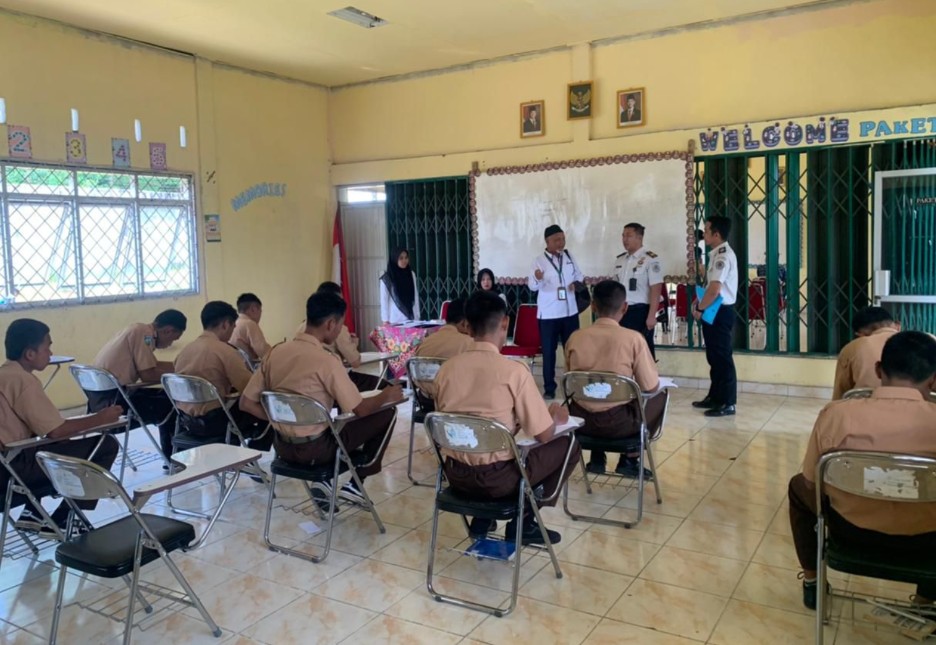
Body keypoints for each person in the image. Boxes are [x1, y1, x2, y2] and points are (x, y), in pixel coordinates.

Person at [788, 331, 936, 610]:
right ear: (934, 379)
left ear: (879, 370)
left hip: (850, 531)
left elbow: (810, 483)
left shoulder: (836, 414)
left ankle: (812, 581)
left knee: (797, 488)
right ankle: (925, 601)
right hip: (927, 541)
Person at [435, 291, 581, 545]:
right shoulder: (514, 372)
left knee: (497, 446)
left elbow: (449, 425)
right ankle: (524, 521)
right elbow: (543, 434)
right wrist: (554, 417)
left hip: (456, 475)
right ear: (505, 323)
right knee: (568, 445)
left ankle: (483, 516)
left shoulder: (446, 370)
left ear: (466, 326)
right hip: (497, 481)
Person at [240, 292, 404, 508]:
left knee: (330, 412)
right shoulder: (327, 361)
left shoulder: (275, 353)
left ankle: (327, 481)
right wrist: (386, 395)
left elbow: (246, 403)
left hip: (281, 447)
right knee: (387, 412)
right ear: (330, 324)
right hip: (319, 451)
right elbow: (361, 410)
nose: (339, 331)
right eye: (340, 325)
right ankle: (355, 484)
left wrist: (280, 420)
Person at [0, 319, 122, 537]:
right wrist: (101, 418)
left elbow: (41, 427)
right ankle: (67, 517)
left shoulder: (5, 375)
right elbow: (56, 430)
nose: (50, 353)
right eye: (47, 347)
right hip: (13, 470)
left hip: (7, 464)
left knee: (48, 446)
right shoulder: (22, 380)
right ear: (30, 354)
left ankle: (33, 513)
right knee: (106, 444)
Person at [565, 280, 664, 477]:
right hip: (620, 424)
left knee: (593, 394)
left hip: (581, 422)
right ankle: (630, 458)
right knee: (660, 396)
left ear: (593, 306)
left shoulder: (575, 338)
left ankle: (597, 457)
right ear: (625, 307)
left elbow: (571, 384)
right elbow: (650, 386)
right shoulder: (633, 339)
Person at [173, 301, 270, 452]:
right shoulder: (225, 351)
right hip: (218, 422)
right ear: (225, 324)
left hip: (187, 421)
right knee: (270, 408)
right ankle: (254, 453)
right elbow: (249, 388)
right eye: (233, 327)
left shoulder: (184, 351)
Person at [90, 309, 186, 461]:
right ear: (168, 330)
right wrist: (179, 375)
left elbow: (153, 365)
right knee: (172, 403)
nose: (170, 344)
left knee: (164, 398)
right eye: (173, 339)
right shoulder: (145, 335)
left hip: (97, 400)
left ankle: (173, 457)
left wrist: (182, 366)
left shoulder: (138, 330)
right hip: (116, 402)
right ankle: (173, 458)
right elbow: (147, 374)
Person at [529, 224, 585, 399]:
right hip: (549, 315)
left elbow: (580, 276)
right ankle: (549, 388)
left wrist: (575, 283)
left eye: (563, 239)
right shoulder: (538, 261)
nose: (561, 243)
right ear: (547, 242)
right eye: (557, 240)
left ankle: (572, 385)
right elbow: (532, 286)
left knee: (572, 350)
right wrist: (538, 278)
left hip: (570, 313)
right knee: (549, 352)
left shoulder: (569, 256)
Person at [692, 216, 738, 417]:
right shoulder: (716, 254)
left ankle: (727, 402)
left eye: (707, 230)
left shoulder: (722, 257)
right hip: (713, 310)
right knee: (714, 356)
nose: (704, 233)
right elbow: (709, 286)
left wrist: (700, 308)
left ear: (716, 234)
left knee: (722, 357)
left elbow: (715, 289)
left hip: (720, 311)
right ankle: (715, 396)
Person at [310, 281, 381, 392]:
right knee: (383, 386)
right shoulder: (336, 328)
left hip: (312, 383)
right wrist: (353, 343)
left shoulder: (301, 327)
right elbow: (355, 362)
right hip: (332, 381)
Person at [610, 222, 664, 359]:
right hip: (621, 311)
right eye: (623, 236)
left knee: (643, 352)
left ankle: (648, 374)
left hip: (640, 312)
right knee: (622, 351)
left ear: (639, 238)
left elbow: (656, 288)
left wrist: (651, 316)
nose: (625, 239)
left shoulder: (650, 259)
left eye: (629, 236)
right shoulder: (620, 260)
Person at [831, 306, 900, 399]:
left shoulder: (853, 347)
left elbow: (840, 395)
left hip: (865, 405)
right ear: (898, 325)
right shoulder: (917, 343)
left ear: (860, 335)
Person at [380, 248, 420, 324]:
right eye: (401, 258)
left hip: (411, 317)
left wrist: (417, 315)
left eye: (406, 257)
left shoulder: (411, 274)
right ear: (395, 259)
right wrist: (385, 320)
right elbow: (384, 300)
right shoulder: (387, 278)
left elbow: (415, 295)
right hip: (395, 318)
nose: (404, 260)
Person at [230, 293, 271, 362]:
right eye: (260, 311)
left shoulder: (234, 323)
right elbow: (264, 352)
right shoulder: (250, 324)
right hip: (247, 367)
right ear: (253, 309)